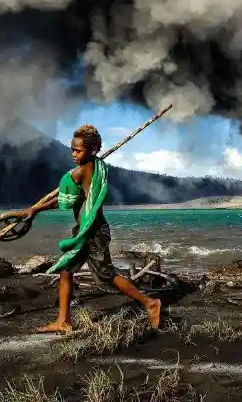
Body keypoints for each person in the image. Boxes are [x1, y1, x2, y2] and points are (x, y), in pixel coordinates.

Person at [24, 124, 161, 333]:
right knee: (66, 270)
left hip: (92, 233)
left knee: (106, 275)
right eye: (72, 149)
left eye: (78, 150)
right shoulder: (98, 166)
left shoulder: (78, 173)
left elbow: (64, 202)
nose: (73, 154)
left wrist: (36, 209)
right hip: (87, 231)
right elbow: (69, 197)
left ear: (93, 150)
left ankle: (150, 303)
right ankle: (63, 321)